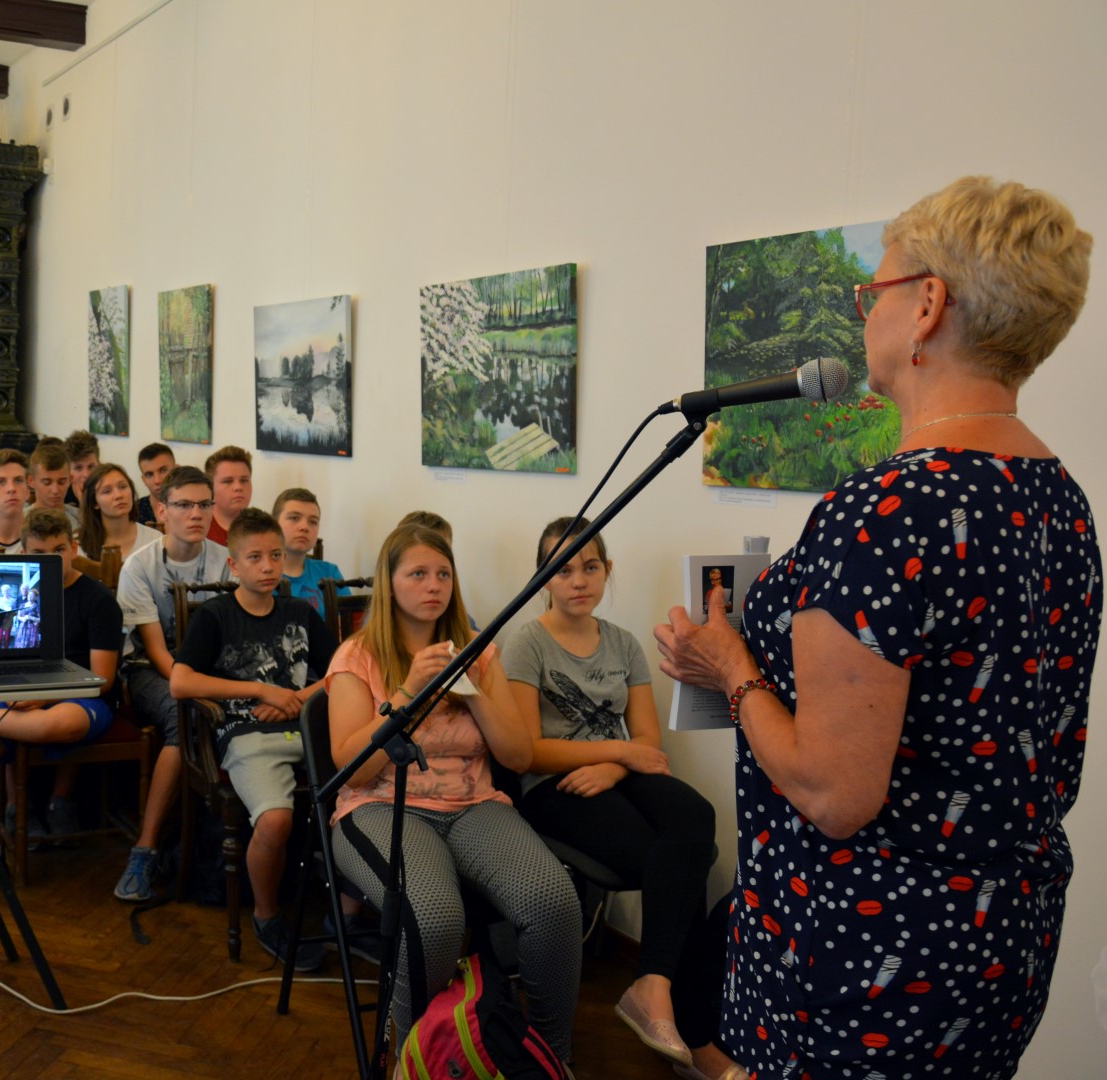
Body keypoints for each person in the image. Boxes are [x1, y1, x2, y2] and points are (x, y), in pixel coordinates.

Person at [655, 176, 1097, 1079]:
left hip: (868, 955)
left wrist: (732, 667)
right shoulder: (1058, 495)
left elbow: (832, 792)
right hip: (996, 939)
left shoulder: (886, 508)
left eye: (874, 291)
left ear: (927, 305)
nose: (865, 313)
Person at [325, 522, 581, 1055]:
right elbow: (352, 771)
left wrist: (472, 692)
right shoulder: (356, 656)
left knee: (554, 903)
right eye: (417, 574)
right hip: (381, 805)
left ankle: (548, 1055)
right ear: (389, 582)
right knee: (434, 919)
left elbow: (518, 756)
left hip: (473, 806)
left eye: (443, 574)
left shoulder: (480, 654)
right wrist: (409, 691)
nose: (433, 585)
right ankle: (416, 1060)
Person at [507, 517, 718, 1073]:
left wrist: (614, 765)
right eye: (563, 570)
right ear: (543, 577)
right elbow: (527, 751)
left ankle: (656, 988)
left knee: (696, 817)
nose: (579, 580)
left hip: (615, 772)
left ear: (607, 570)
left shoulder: (623, 642)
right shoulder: (526, 643)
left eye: (591, 566)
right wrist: (618, 755)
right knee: (680, 859)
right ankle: (691, 1029)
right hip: (554, 786)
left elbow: (646, 739)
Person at [172, 508, 334, 968]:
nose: (268, 566)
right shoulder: (216, 615)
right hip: (247, 734)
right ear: (234, 565)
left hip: (306, 730)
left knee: (359, 799)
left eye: (276, 556)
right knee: (276, 820)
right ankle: (267, 915)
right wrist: (262, 690)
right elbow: (181, 682)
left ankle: (346, 914)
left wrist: (296, 699)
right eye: (256, 557)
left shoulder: (300, 612)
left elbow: (343, 670)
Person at [0, 508, 123, 896]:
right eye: (40, 552)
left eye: (59, 550)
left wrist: (45, 695)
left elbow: (102, 678)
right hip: (22, 693)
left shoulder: (98, 600)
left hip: (83, 694)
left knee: (55, 724)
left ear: (73, 548)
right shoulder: (23, 600)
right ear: (24, 554)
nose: (52, 559)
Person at [112, 466, 231, 902]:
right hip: (151, 669)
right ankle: (145, 849)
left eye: (204, 504)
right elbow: (157, 651)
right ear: (161, 510)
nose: (195, 514)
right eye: (183, 505)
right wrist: (197, 687)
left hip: (211, 670)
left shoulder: (226, 559)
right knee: (184, 719)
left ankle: (204, 846)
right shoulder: (139, 565)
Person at [272, 488, 344, 616]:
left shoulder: (329, 573)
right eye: (294, 518)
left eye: (313, 522)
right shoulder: (259, 574)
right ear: (274, 524)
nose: (305, 527)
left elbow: (349, 622)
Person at [78, 463, 161, 563]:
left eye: (123, 487)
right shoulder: (79, 546)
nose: (118, 495)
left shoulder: (154, 539)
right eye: (107, 491)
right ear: (94, 502)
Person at [202, 445, 252, 546]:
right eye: (228, 481)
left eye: (244, 480)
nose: (238, 487)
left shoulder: (263, 528)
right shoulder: (199, 528)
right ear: (210, 487)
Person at [25, 442, 79, 530]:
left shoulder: (83, 521)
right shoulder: (17, 523)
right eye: (47, 482)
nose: (55, 490)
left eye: (61, 482)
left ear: (70, 480)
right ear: (31, 481)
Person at [134, 443, 175, 526]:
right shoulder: (134, 511)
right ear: (143, 480)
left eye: (163, 470)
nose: (157, 480)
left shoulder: (193, 507)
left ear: (176, 470)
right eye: (149, 474)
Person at [64, 429, 100, 508]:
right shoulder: (61, 496)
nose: (86, 475)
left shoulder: (108, 493)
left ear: (99, 464)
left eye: (91, 467)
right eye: (78, 468)